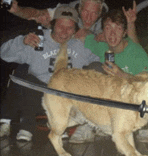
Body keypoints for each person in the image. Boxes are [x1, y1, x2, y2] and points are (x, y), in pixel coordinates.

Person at [0, 5, 100, 141]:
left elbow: (104, 60)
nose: (64, 32)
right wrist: (22, 42)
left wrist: (93, 39)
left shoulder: (80, 44)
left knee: (94, 72)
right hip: (37, 95)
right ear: (52, 25)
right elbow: (4, 54)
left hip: (68, 98)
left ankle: (69, 125)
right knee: (24, 74)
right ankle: (26, 126)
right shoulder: (38, 39)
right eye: (60, 26)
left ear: (76, 29)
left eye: (70, 28)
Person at [68, 9, 148, 143]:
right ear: (102, 32)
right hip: (111, 101)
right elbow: (78, 35)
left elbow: (147, 83)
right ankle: (88, 125)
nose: (112, 33)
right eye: (108, 28)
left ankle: (144, 125)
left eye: (118, 29)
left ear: (125, 32)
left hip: (131, 102)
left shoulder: (136, 52)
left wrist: (122, 74)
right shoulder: (101, 46)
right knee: (93, 68)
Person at [4, 0, 139, 43]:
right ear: (79, 8)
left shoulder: (109, 22)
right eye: (85, 11)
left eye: (93, 14)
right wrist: (17, 10)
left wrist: (131, 24)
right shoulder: (66, 11)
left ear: (100, 13)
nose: (88, 18)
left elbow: (132, 47)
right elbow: (38, 13)